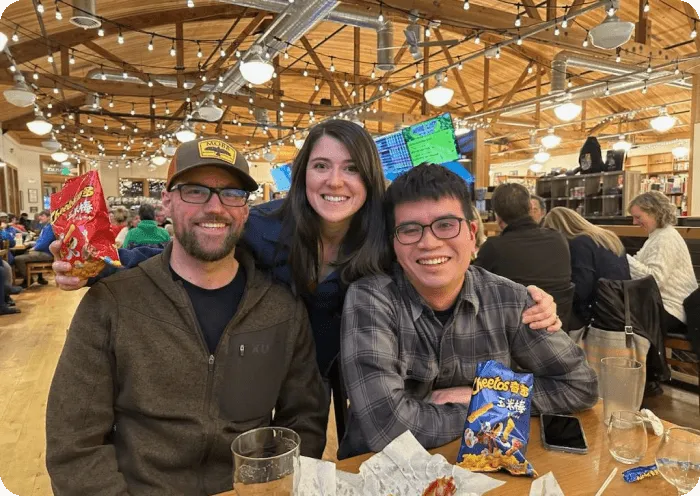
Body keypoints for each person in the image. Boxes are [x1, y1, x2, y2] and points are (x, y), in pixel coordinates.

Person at [51, 122, 559, 444]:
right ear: (302, 175)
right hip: (283, 355)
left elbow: (446, 254)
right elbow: (198, 253)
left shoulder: (387, 231)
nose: (335, 181)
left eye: (351, 169)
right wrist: (106, 273)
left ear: (370, 180)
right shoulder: (262, 224)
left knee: (371, 444)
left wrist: (527, 299)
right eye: (321, 166)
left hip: (370, 356)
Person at [46, 138, 327, 495]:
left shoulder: (281, 310)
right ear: (167, 200)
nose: (215, 208)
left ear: (245, 209)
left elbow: (305, 420)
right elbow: (73, 445)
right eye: (195, 191)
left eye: (232, 194)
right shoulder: (112, 304)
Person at [339, 164, 598, 459]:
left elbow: (580, 386)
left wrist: (480, 397)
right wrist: (496, 406)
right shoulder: (372, 299)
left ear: (472, 234)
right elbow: (387, 428)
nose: (429, 242)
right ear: (393, 244)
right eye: (409, 230)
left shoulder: (510, 300)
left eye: (446, 225)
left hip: (487, 471)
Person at [473, 183, 572, 327]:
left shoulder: (494, 247)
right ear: (530, 209)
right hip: (558, 329)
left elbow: (472, 288)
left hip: (511, 333)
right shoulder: (558, 239)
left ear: (497, 216)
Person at [543, 207, 630, 329]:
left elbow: (582, 288)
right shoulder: (607, 237)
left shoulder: (579, 244)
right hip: (620, 306)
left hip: (600, 312)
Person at [628, 191, 697, 334]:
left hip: (672, 310)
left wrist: (622, 258)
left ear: (654, 212)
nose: (634, 222)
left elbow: (654, 280)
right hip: (665, 307)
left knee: (615, 318)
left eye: (638, 217)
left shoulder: (665, 238)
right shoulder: (658, 235)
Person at [13, 219, 54, 288]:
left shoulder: (49, 228)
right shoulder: (47, 227)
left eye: (42, 216)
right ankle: (39, 278)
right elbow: (41, 241)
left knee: (18, 259)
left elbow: (44, 243)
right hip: (45, 251)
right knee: (26, 253)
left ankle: (28, 279)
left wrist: (34, 248)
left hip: (47, 253)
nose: (39, 217)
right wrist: (34, 246)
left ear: (47, 217)